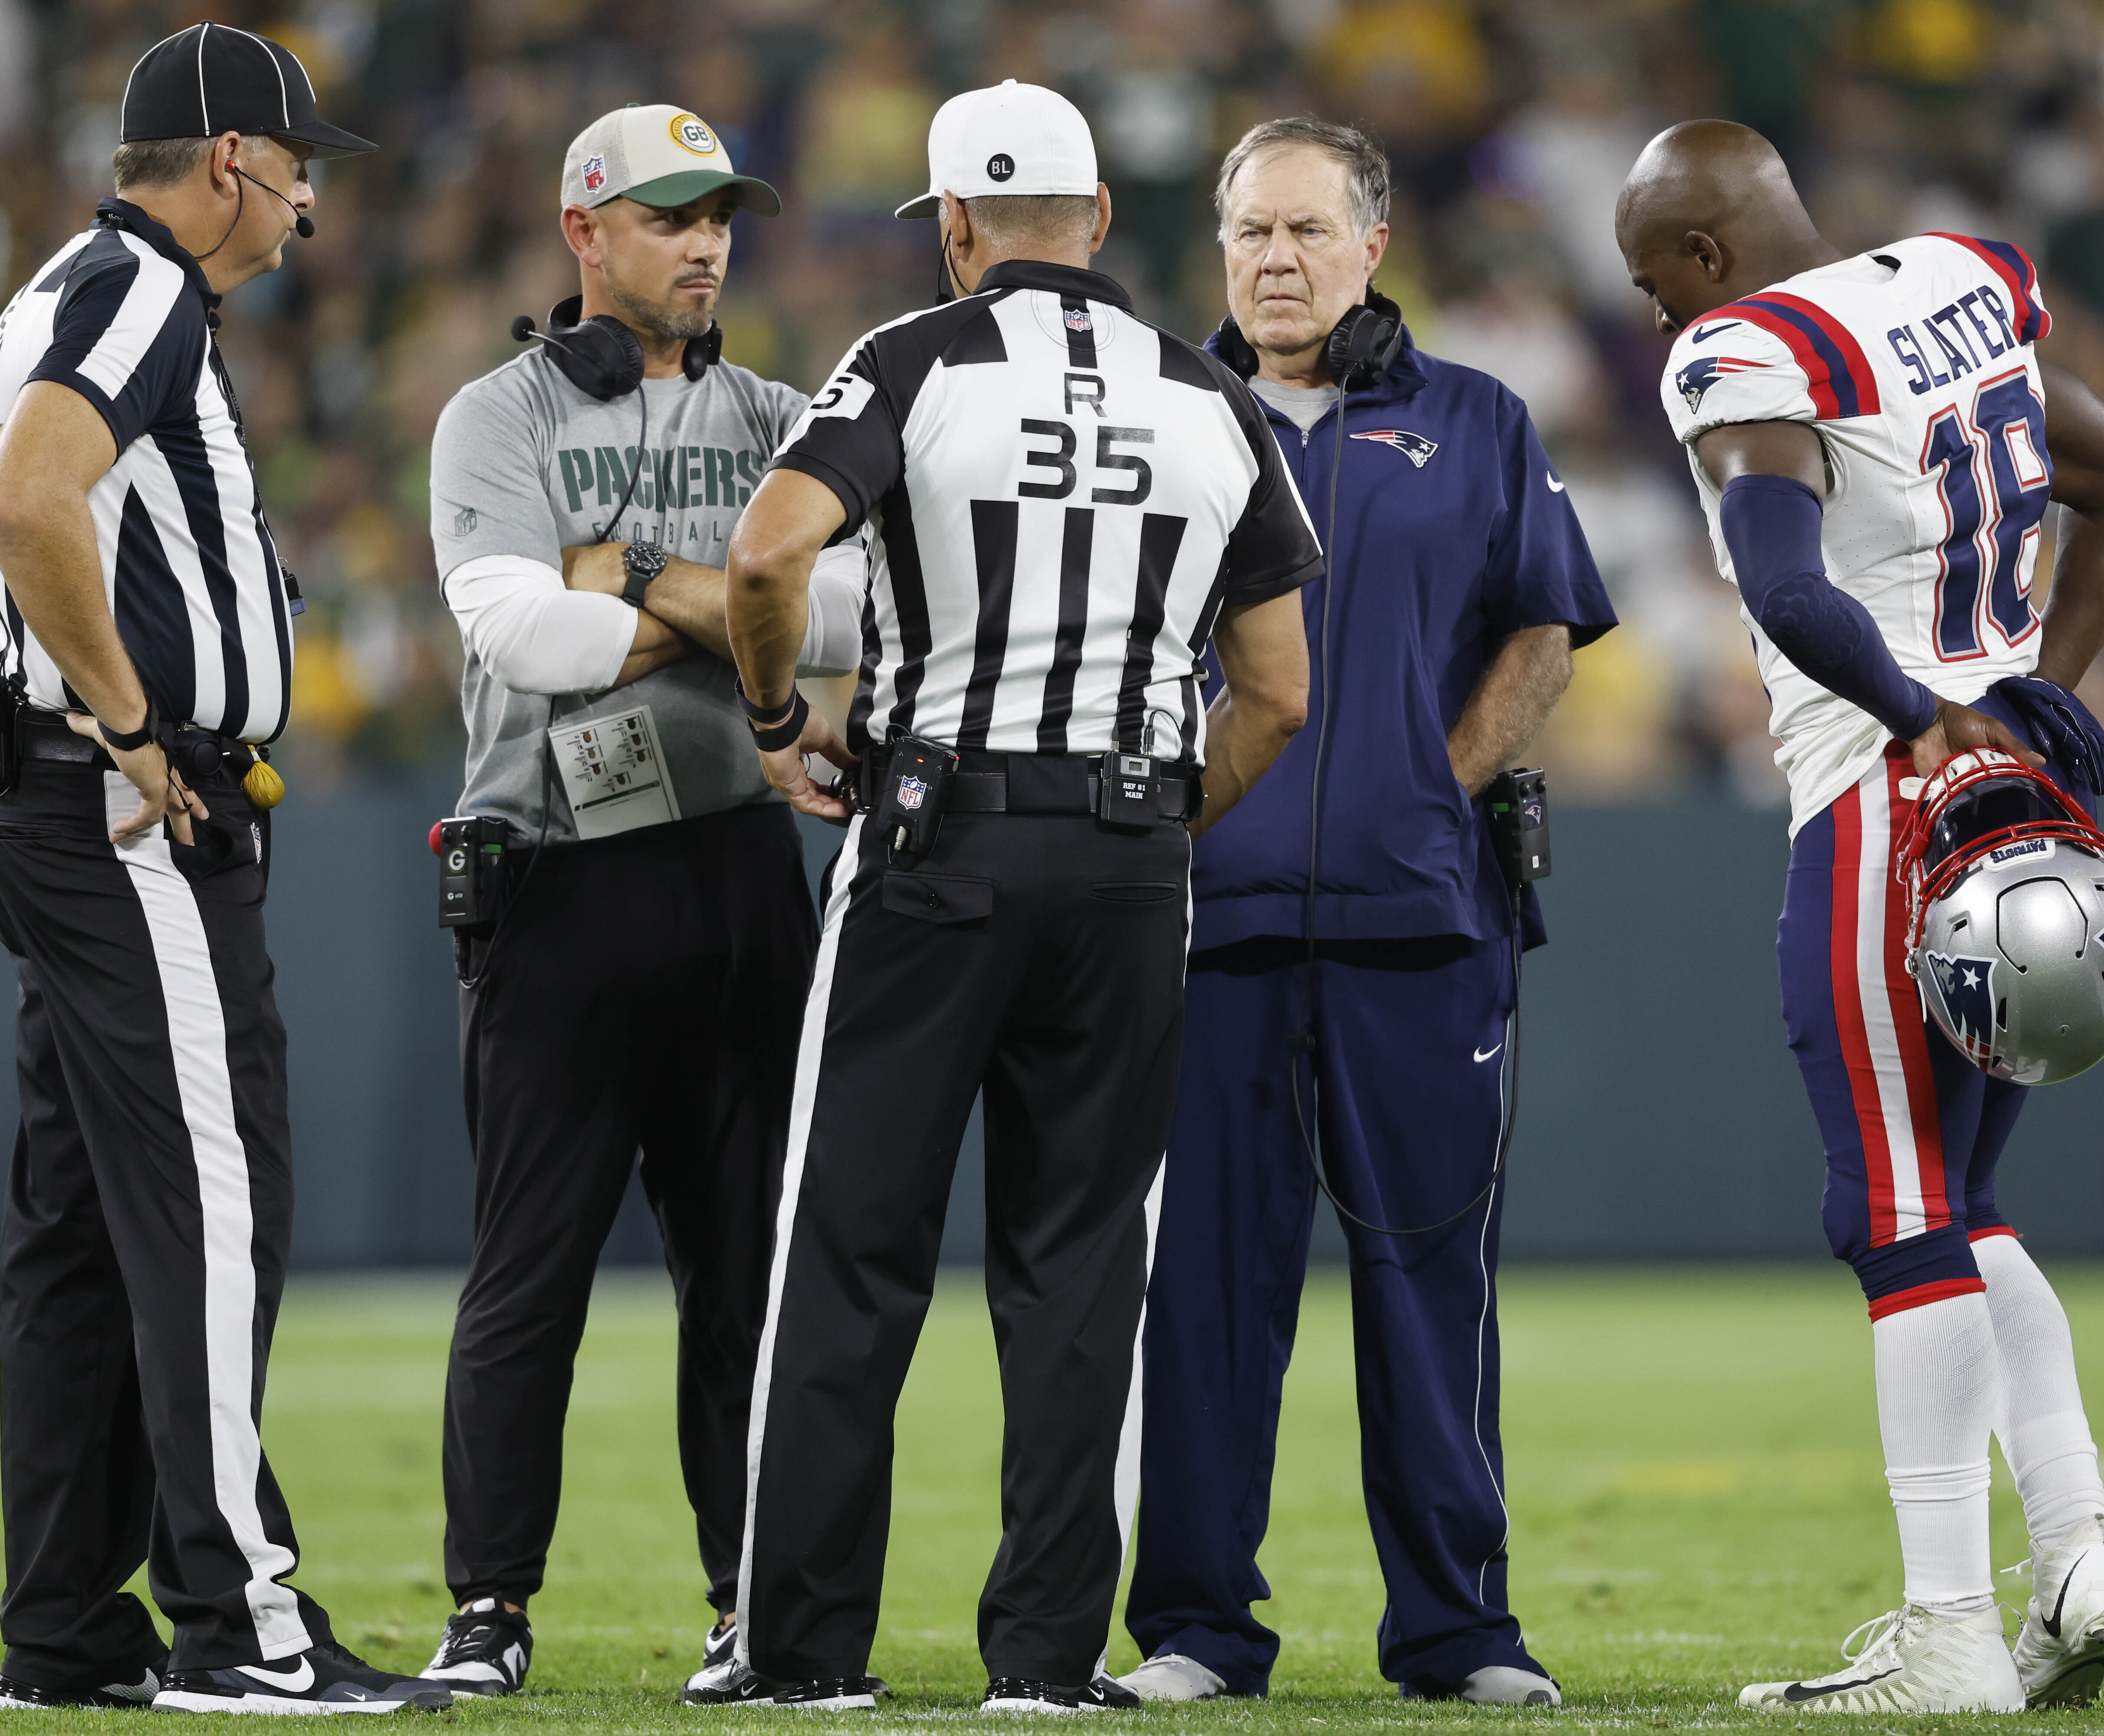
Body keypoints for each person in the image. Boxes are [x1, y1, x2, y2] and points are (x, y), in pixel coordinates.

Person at [700, 80, 1317, 1715]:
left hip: (933, 845)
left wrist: (777, 723)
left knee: (847, 1253)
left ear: (954, 231)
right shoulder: (1210, 397)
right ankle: (1043, 1663)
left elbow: (769, 557)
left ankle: (803, 1656)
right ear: (1101, 219)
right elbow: (1277, 693)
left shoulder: (913, 358)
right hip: (1124, 867)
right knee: (1076, 1271)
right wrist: (1152, 820)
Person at [1614, 121, 2104, 1714]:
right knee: (1955, 1203)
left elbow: (1788, 592)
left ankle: (1947, 1639)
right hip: (2022, 815)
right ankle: (2077, 1555)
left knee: (1891, 1211)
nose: (1658, 321)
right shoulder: (1956, 272)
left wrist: (1926, 721)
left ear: (1707, 263)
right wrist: (2030, 707)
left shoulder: (1745, 346)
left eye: (1657, 286)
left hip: (1884, 803)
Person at [1115, 119, 1617, 1710]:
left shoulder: (1472, 419)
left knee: (1426, 1286)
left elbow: (1544, 625)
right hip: (1206, 920)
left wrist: (1428, 783)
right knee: (1202, 1293)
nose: (1273, 259)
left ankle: (1459, 1633)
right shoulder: (1155, 419)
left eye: (1304, 232)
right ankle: (1197, 1628)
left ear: (1371, 245)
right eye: (1248, 232)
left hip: (1419, 924)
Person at [0, 23, 447, 1715]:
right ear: (234, 161)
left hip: (57, 799)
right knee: (207, 1198)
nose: (311, 200)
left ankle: (62, 1620)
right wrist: (123, 721)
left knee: (76, 1223)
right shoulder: (136, 286)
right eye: (301, 163)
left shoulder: (70, 284)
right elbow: (31, 497)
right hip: (128, 813)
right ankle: (235, 1625)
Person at [416, 105, 871, 1700]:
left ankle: (751, 1602)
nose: (704, 244)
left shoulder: (779, 408)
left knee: (748, 1272)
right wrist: (741, 599)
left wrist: (625, 569)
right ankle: (488, 1607)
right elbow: (527, 642)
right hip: (553, 872)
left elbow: (854, 618)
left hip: (740, 871)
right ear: (584, 231)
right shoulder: (497, 413)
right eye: (669, 217)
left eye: (718, 216)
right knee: (526, 1269)